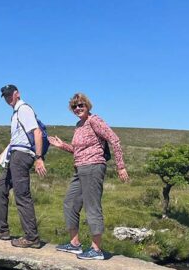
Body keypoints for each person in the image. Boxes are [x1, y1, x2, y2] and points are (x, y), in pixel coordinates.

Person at [49, 93, 130, 260]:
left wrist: (120, 166)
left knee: (92, 206)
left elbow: (114, 140)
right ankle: (74, 244)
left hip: (94, 167)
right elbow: (78, 150)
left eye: (81, 105)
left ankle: (96, 249)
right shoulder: (79, 125)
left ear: (87, 106)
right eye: (74, 106)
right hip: (79, 168)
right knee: (70, 203)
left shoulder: (94, 120)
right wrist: (62, 145)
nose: (78, 108)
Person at [0, 84, 47, 248]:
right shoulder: (16, 113)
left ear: (17, 94)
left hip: (22, 156)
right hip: (15, 155)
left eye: (10, 95)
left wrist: (39, 158)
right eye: (5, 96)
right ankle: (1, 230)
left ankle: (32, 237)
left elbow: (37, 132)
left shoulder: (24, 109)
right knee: (0, 189)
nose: (7, 98)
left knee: (22, 194)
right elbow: (14, 142)